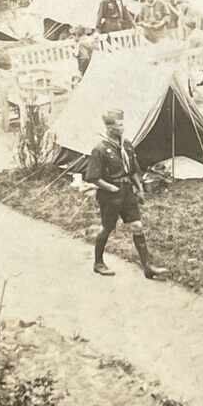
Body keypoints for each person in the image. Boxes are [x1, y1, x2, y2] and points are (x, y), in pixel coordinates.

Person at [83, 109, 167, 280]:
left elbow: (134, 169)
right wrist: (110, 188)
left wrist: (140, 188)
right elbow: (92, 177)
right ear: (109, 127)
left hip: (127, 192)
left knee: (137, 226)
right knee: (107, 228)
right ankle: (98, 263)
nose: (122, 128)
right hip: (110, 195)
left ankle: (147, 267)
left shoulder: (126, 145)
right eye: (118, 125)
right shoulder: (100, 149)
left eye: (122, 124)